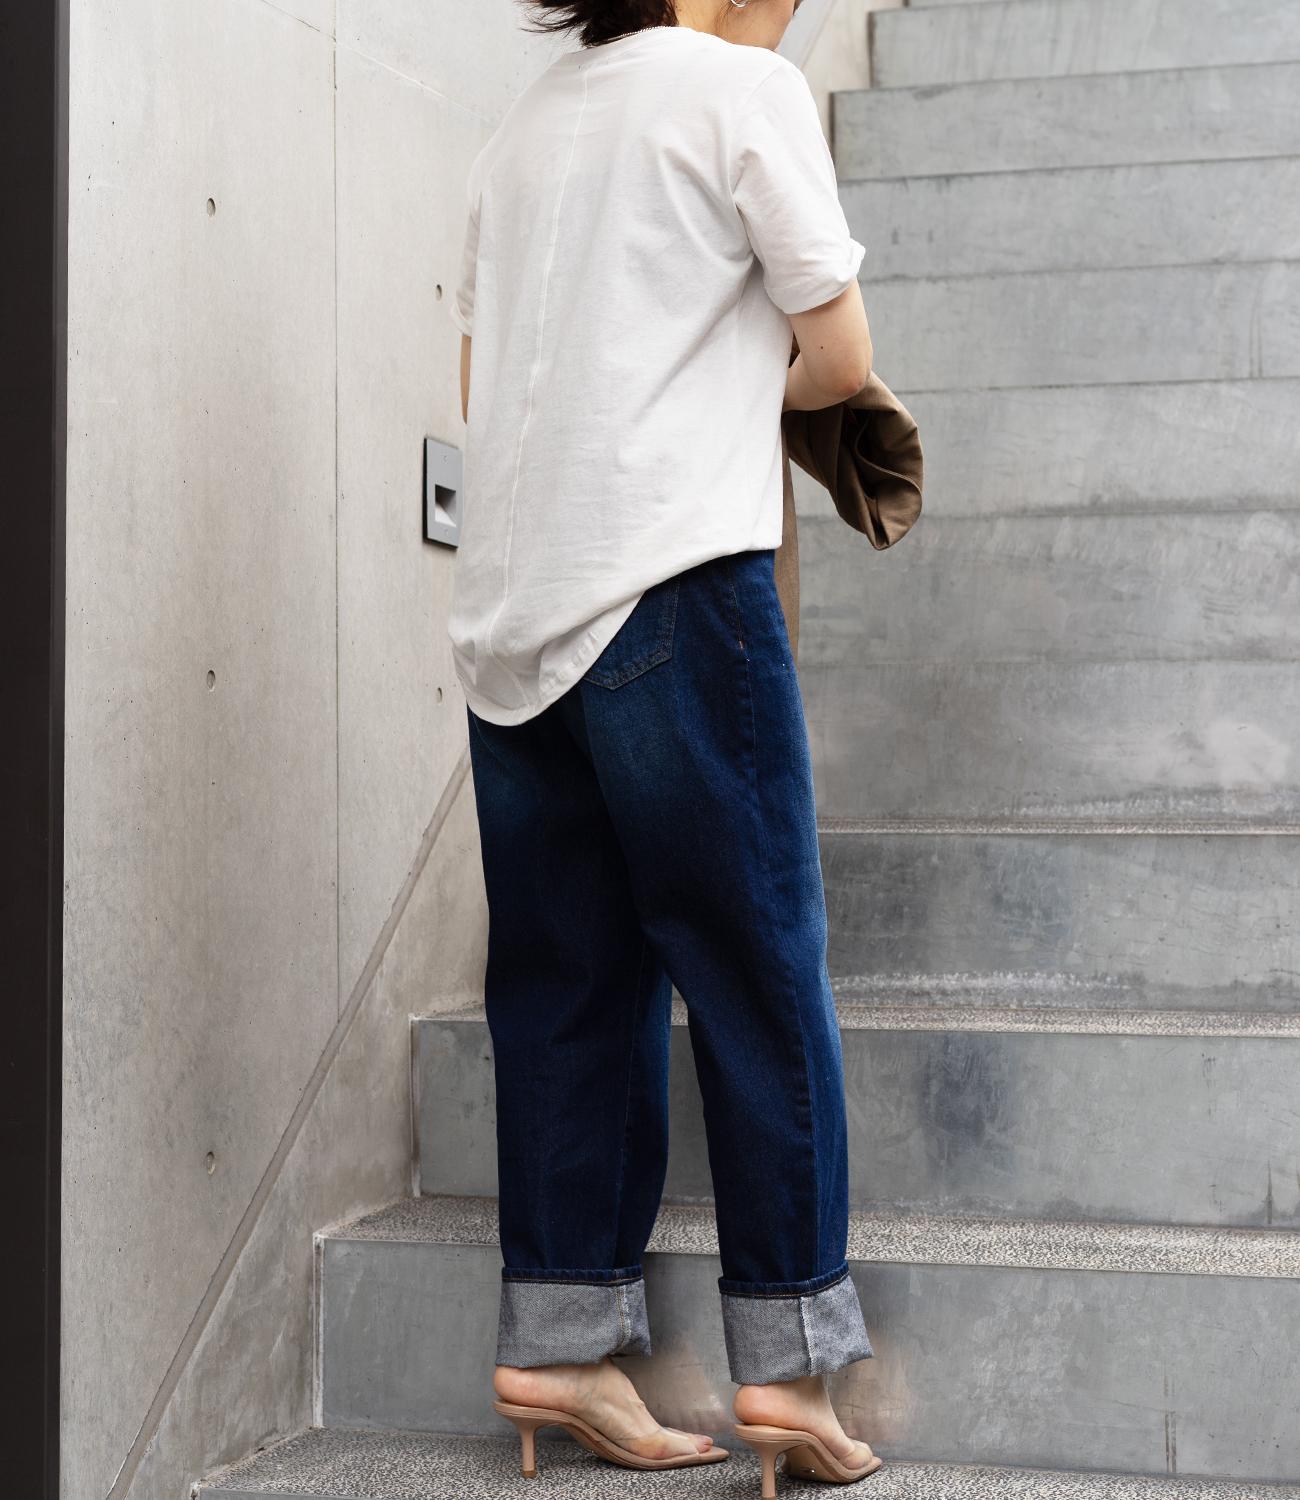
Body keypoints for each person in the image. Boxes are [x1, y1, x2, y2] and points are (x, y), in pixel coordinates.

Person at [446, 0, 881, 1490]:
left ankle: (560, 1338)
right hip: (675, 591)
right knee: (757, 968)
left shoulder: (516, 135)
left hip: (515, 619)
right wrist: (740, 385)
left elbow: (482, 392)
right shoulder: (738, 94)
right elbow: (839, 355)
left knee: (563, 981)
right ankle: (794, 1362)